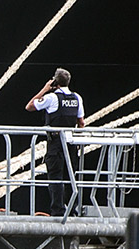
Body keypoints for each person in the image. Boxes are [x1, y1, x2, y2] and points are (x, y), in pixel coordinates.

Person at [26, 67, 85, 216]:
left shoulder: (52, 98)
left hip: (56, 143)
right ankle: (72, 210)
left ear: (55, 82)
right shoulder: (77, 98)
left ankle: (58, 211)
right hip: (71, 142)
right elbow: (81, 122)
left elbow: (30, 106)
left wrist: (45, 89)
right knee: (71, 177)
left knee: (55, 177)